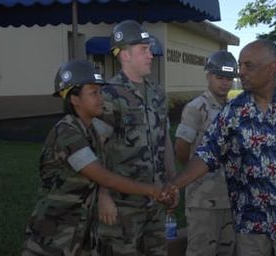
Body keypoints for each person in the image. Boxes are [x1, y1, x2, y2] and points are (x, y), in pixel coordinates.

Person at [164, 39, 276, 256]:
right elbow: (207, 153)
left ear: (271, 68)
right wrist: (176, 184)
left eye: (248, 66)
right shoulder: (235, 110)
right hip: (251, 219)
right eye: (240, 65)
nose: (241, 72)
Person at [22, 59, 165, 256]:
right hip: (52, 237)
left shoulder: (91, 132)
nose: (101, 98)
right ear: (75, 99)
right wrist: (152, 190)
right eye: (93, 93)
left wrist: (105, 196)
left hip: (78, 235)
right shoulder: (67, 133)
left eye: (100, 91)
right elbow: (104, 177)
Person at [96, 20, 177, 255]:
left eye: (149, 49)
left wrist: (172, 183)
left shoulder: (157, 93)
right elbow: (98, 148)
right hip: (122, 206)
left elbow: (166, 141)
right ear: (124, 55)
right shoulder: (108, 94)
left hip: (156, 202)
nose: (150, 55)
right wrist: (102, 195)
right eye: (144, 49)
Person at [174, 50, 238, 256]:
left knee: (226, 251)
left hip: (229, 198)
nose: (225, 83)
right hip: (203, 200)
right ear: (208, 76)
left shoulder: (234, 109)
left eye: (229, 79)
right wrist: (196, 173)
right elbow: (181, 148)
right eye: (219, 77)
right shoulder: (196, 108)